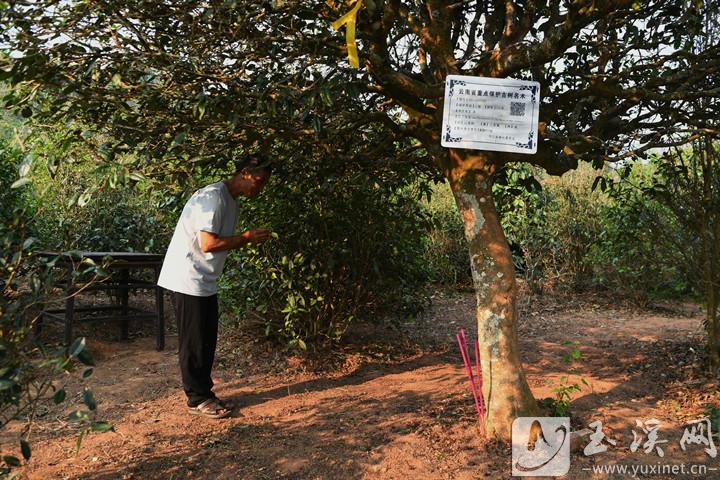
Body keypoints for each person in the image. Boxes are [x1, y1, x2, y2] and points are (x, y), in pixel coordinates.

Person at [157, 155, 272, 419]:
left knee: (206, 338)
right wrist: (246, 238)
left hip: (204, 278)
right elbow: (207, 243)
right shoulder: (213, 197)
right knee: (194, 341)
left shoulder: (231, 202)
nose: (261, 187)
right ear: (245, 172)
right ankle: (197, 398)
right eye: (260, 180)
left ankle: (204, 393)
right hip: (187, 276)